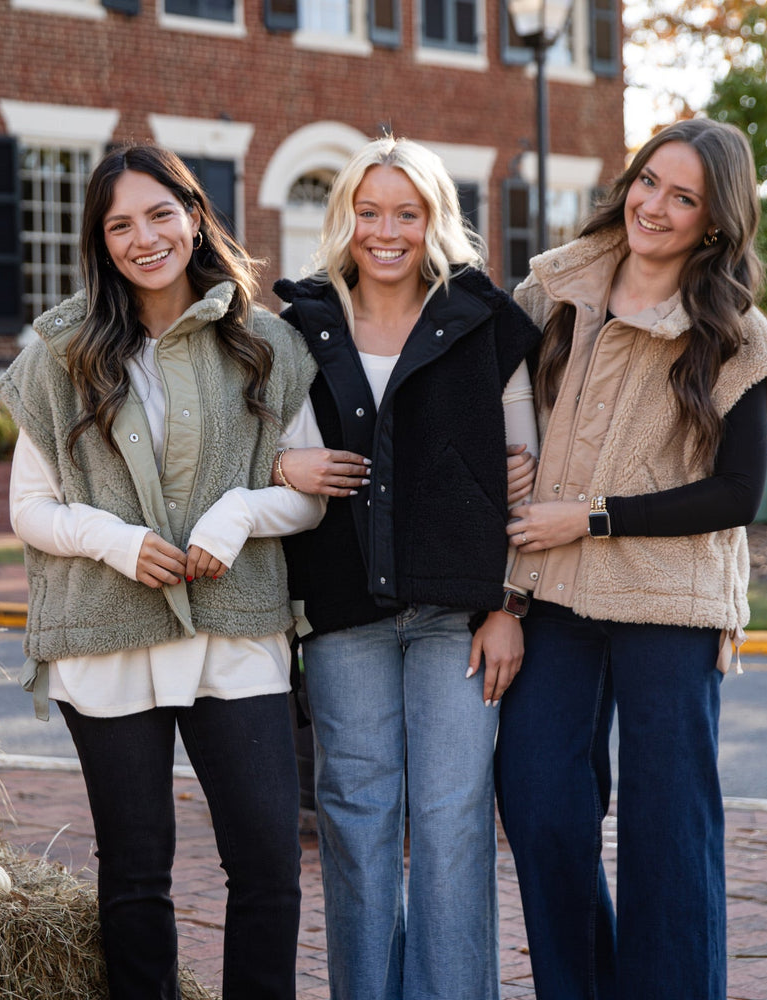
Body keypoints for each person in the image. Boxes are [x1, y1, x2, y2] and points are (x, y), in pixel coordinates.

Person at [0, 144, 324, 1000]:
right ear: (101, 244)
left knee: (267, 863)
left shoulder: (266, 344)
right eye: (120, 226)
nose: (144, 239)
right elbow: (29, 509)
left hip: (235, 631)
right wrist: (114, 539)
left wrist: (239, 512)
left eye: (159, 215)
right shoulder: (61, 356)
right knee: (136, 874)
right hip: (107, 636)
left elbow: (308, 495)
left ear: (195, 218)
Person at [495, 118, 767, 1000]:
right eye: (649, 181)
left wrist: (591, 518)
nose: (655, 206)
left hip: (671, 602)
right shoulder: (553, 290)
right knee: (540, 805)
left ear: (716, 221)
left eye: (683, 197)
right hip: (551, 595)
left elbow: (736, 494)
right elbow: (493, 405)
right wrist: (500, 462)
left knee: (669, 833)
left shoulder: (734, 336)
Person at [270, 136, 541, 1000]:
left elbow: (527, 481)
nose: (386, 232)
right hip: (343, 614)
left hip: (457, 616)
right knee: (356, 824)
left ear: (435, 220)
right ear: (345, 218)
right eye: (368, 212)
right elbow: (253, 450)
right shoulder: (300, 326)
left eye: (407, 213)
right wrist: (281, 467)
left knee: (454, 822)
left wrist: (509, 607)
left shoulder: (485, 321)